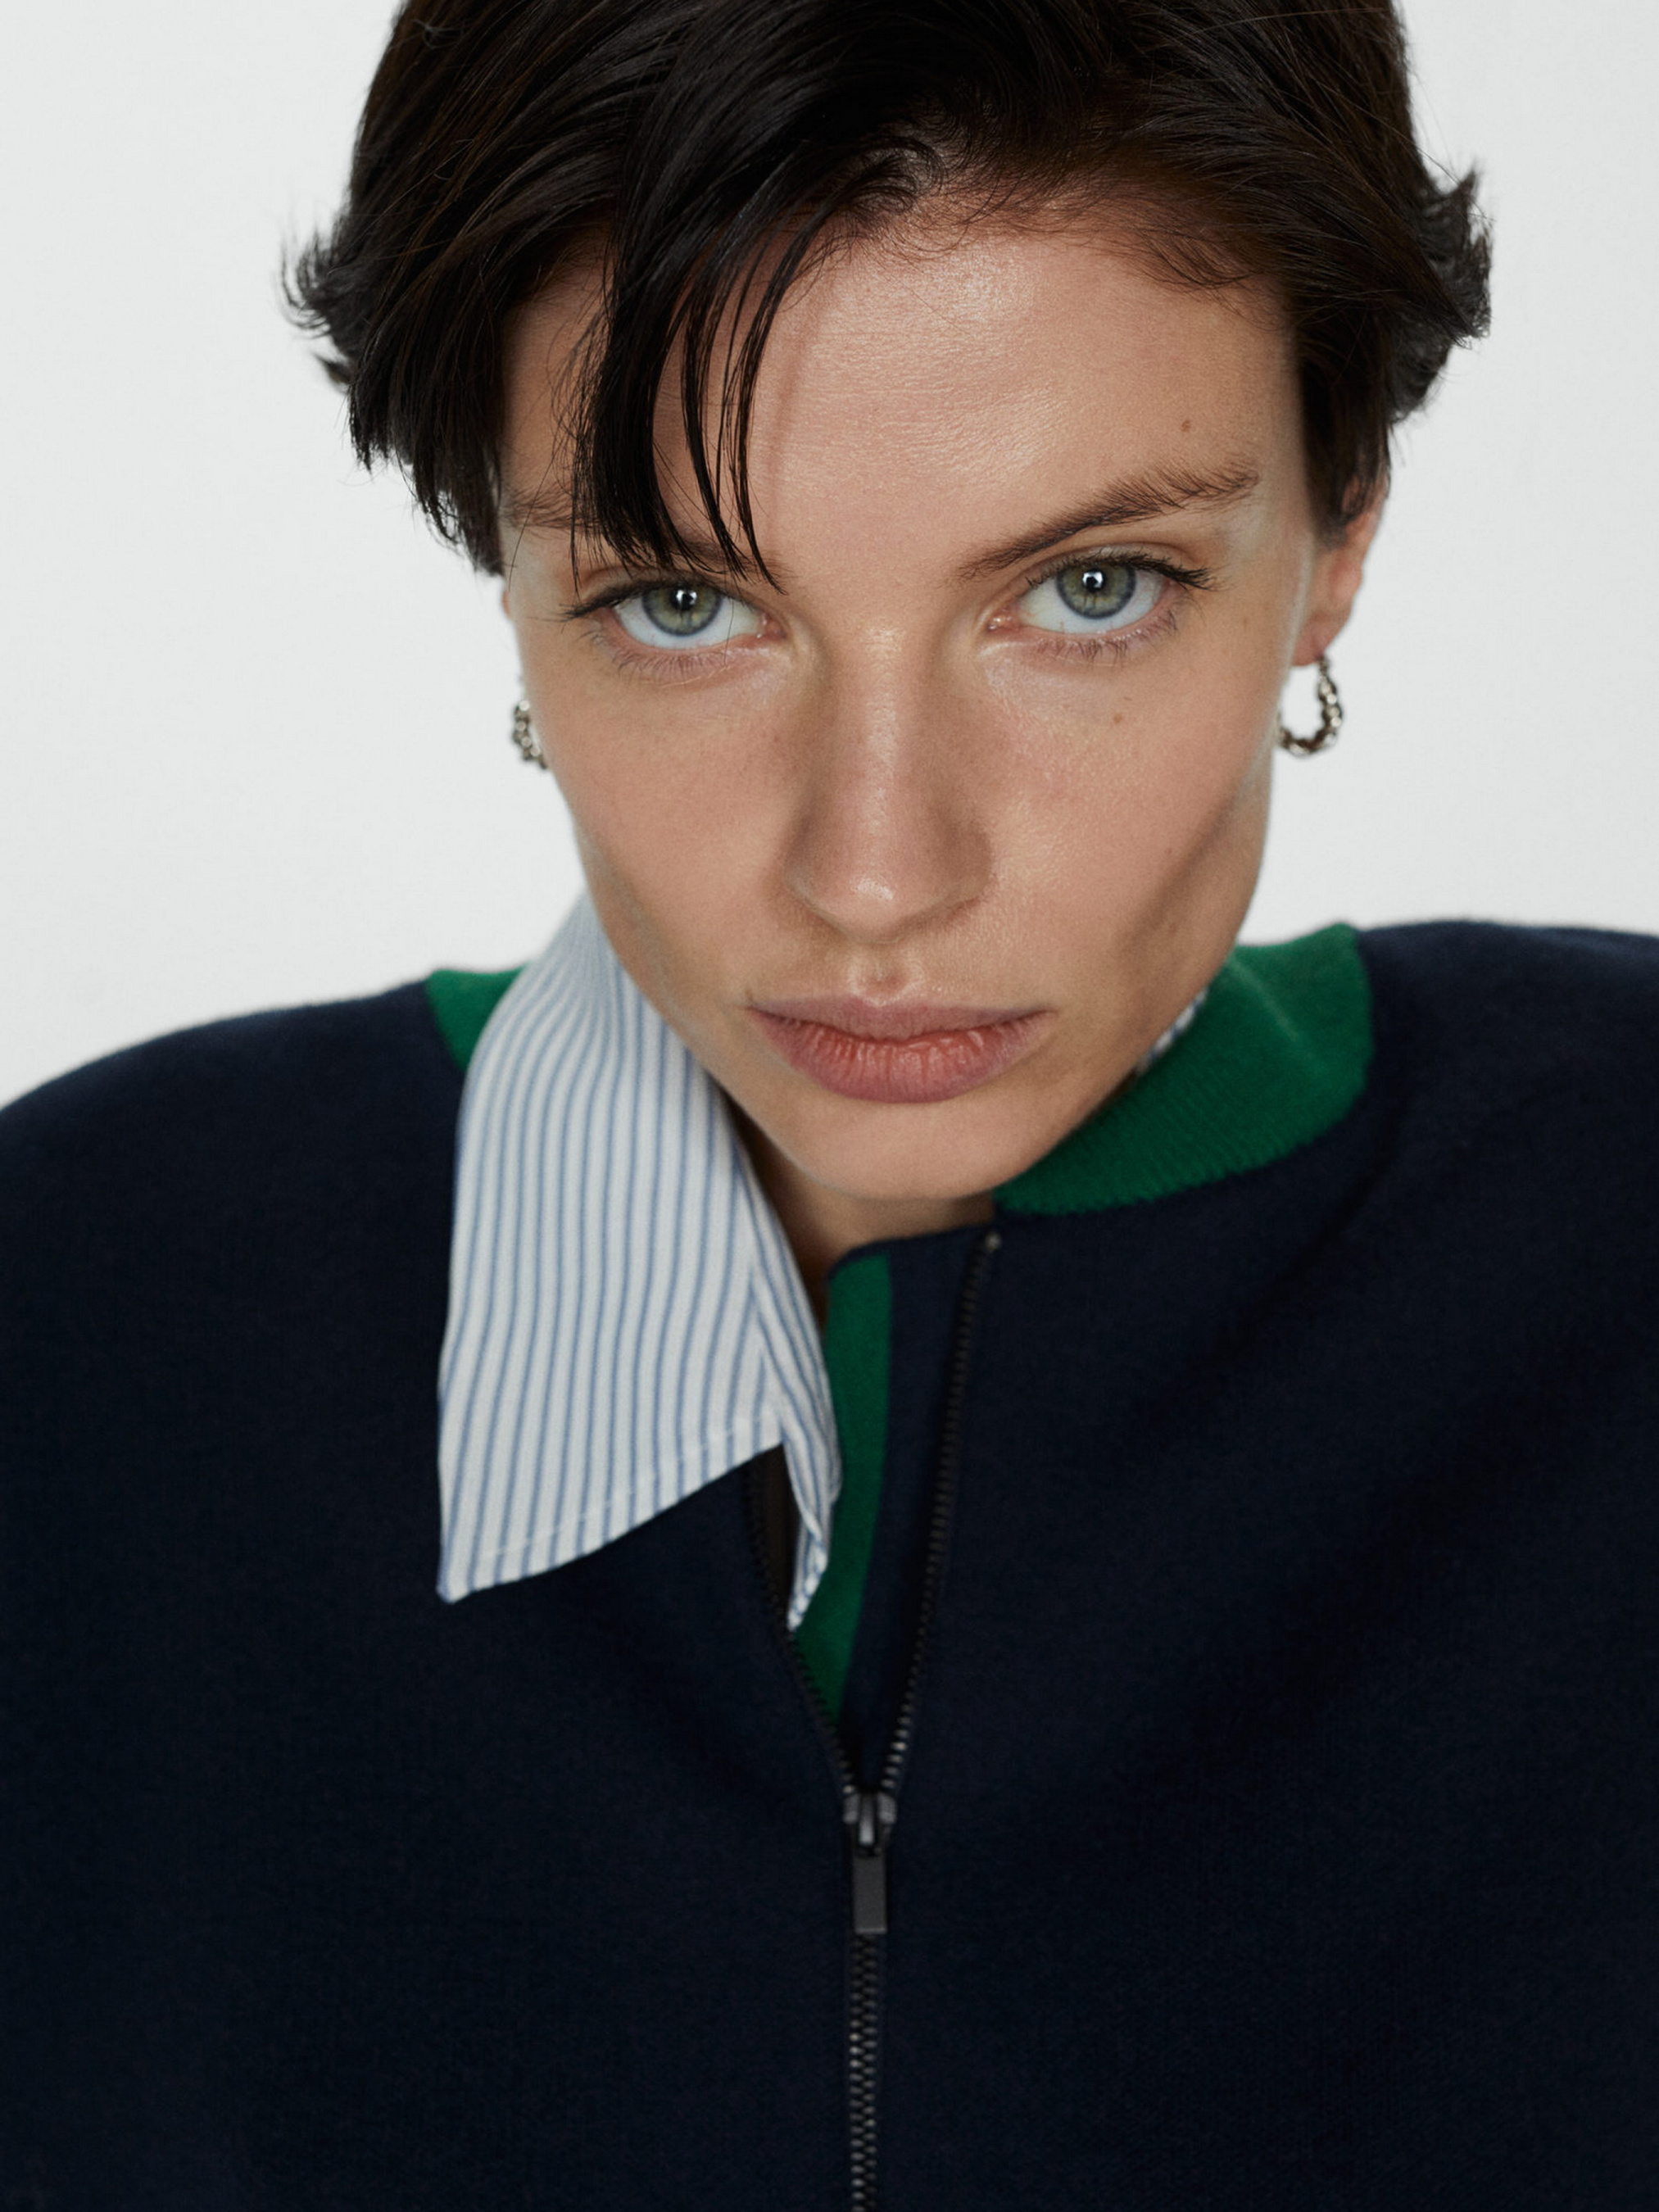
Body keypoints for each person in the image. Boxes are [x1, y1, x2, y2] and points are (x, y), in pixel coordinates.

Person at [5, 0, 1656, 2204]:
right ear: (504, 565)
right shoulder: (75, 1314)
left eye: (1089, 590)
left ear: (1338, 524)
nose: (878, 875)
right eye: (685, 603)